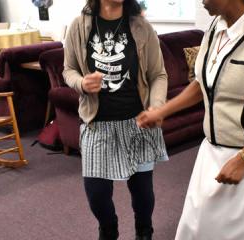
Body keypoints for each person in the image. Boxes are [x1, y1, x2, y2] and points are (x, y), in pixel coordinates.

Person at [136, 0, 244, 239]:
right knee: (196, 227)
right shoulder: (214, 29)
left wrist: (243, 159)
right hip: (213, 151)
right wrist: (163, 111)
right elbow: (204, 83)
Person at [63, 0, 168, 239]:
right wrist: (81, 83)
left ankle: (144, 231)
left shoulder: (142, 27)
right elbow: (68, 69)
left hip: (138, 122)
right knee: (96, 195)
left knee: (143, 194)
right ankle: (108, 229)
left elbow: (158, 74)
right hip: (97, 124)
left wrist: (157, 106)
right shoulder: (79, 26)